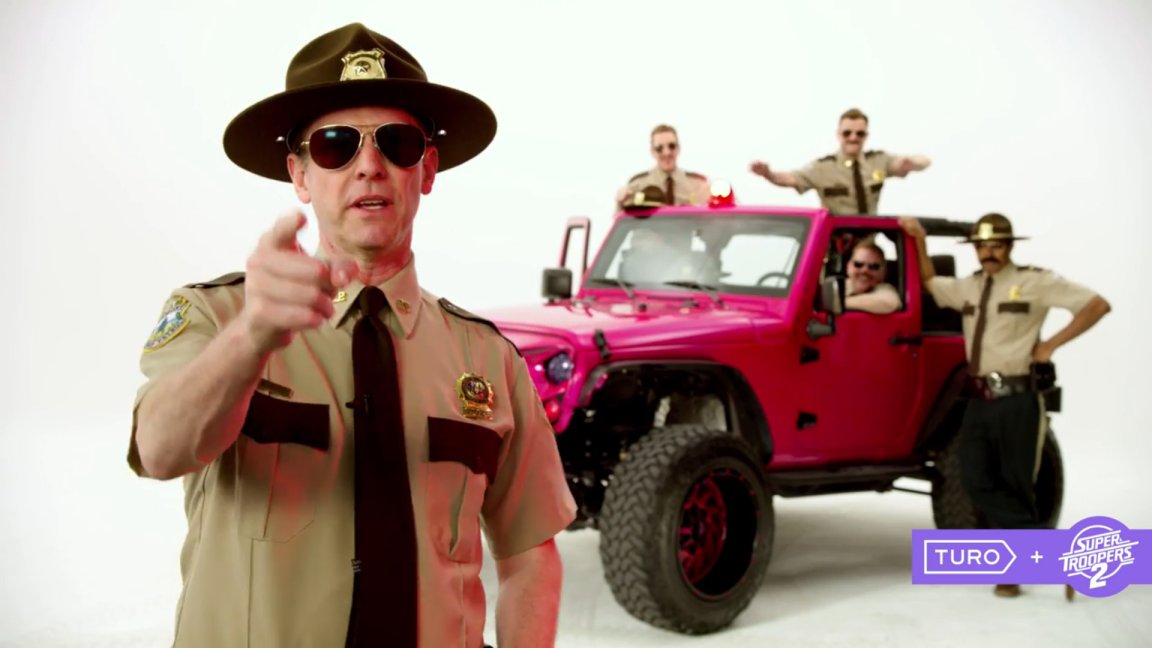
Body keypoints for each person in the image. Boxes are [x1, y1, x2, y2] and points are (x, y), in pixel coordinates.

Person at [127, 23, 577, 648]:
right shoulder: (219, 316)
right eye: (336, 144)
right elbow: (157, 449)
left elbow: (530, 555)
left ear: (427, 169)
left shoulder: (488, 359)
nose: (369, 166)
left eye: (397, 143)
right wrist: (251, 338)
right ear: (300, 174)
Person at [899, 213, 1111, 600]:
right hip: (978, 400)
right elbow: (930, 283)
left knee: (1016, 484)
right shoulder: (970, 286)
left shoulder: (1034, 282)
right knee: (973, 478)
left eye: (996, 246)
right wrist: (919, 240)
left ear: (1009, 246)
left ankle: (1013, 573)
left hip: (1017, 399)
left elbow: (1096, 305)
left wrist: (1050, 346)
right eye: (982, 247)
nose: (989, 253)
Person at [749, 108, 931, 215]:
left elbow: (924, 161)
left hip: (868, 243)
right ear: (838, 134)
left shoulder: (878, 161)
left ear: (866, 136)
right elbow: (791, 178)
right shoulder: (823, 168)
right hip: (836, 241)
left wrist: (910, 163)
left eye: (859, 133)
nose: (853, 138)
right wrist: (769, 174)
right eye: (847, 133)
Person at [616, 124, 710, 208]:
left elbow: (711, 218)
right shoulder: (638, 185)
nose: (666, 152)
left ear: (678, 148)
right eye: (659, 148)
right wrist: (620, 201)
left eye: (671, 146)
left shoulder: (698, 185)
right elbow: (621, 217)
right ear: (652, 152)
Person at [843, 237, 902, 314]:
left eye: (873, 266)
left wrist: (838, 303)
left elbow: (889, 303)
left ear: (883, 272)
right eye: (858, 264)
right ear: (848, 267)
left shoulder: (885, 288)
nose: (865, 270)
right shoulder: (839, 285)